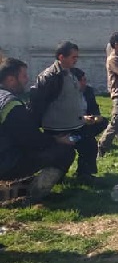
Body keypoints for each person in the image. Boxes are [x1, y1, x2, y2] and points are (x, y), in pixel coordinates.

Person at [0, 57, 75, 200]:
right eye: (23, 76)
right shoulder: (11, 104)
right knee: (65, 152)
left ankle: (17, 188)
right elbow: (31, 140)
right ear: (10, 79)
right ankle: (34, 193)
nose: (27, 80)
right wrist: (57, 140)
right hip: (5, 162)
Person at [29, 41, 100, 185]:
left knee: (89, 145)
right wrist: (35, 126)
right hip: (58, 130)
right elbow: (37, 103)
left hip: (75, 126)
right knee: (61, 155)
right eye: (73, 57)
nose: (76, 60)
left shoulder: (72, 73)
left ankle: (84, 174)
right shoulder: (49, 77)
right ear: (61, 57)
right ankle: (55, 178)